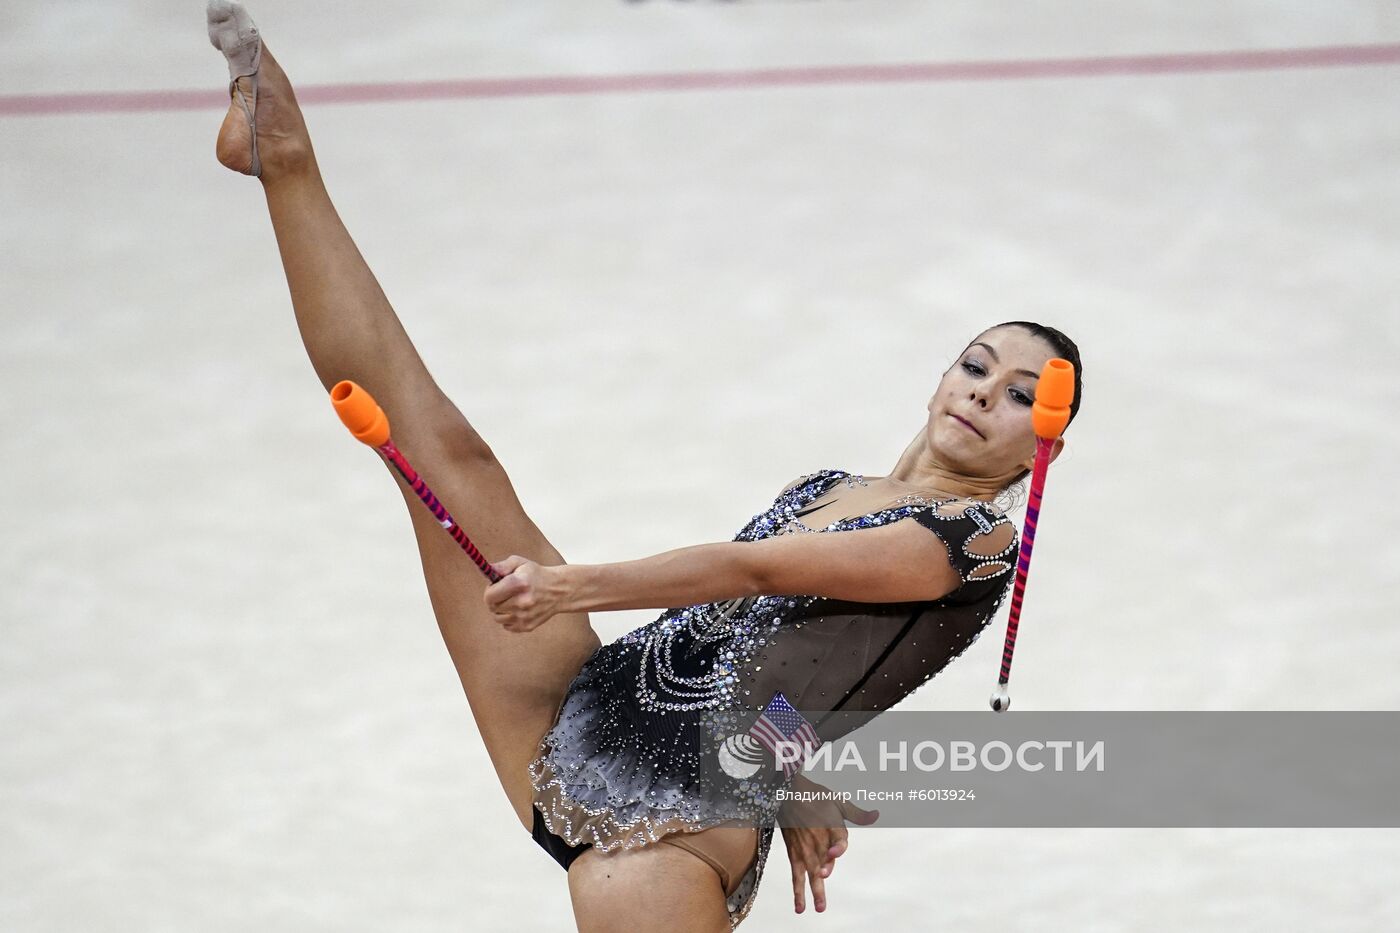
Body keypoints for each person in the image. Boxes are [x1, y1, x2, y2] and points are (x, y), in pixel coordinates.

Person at [206, 3, 1083, 928]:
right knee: (438, 446)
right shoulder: (834, 488)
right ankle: (284, 160)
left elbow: (752, 571)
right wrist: (794, 776)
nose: (986, 393)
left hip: (673, 830)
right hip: (587, 715)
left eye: (1023, 395)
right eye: (978, 365)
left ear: (1045, 442)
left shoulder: (975, 541)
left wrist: (570, 587)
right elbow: (770, 654)